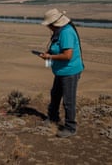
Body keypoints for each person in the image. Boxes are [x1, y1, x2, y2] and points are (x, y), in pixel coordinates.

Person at [39, 8, 84, 138]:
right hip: (61, 71)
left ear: (54, 23)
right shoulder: (60, 31)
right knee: (55, 94)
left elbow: (67, 55)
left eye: (48, 25)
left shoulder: (66, 33)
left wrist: (49, 58)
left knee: (68, 100)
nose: (48, 27)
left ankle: (70, 127)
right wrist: (50, 53)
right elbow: (58, 49)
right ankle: (53, 118)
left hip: (70, 71)